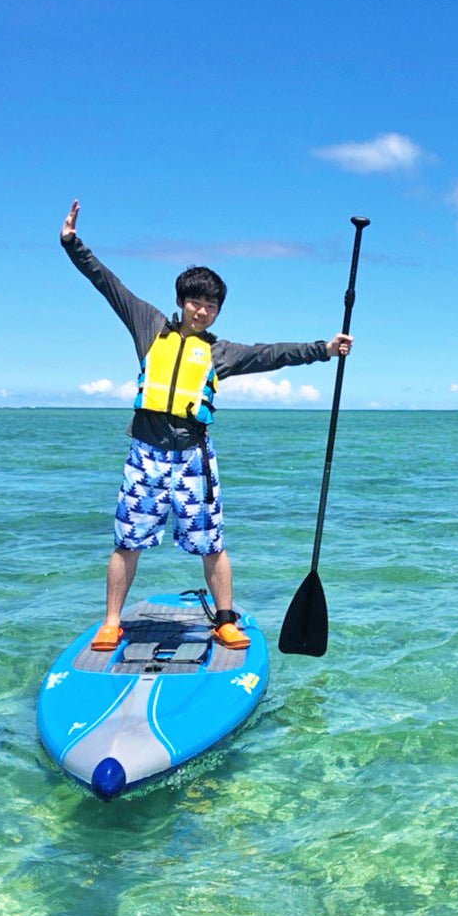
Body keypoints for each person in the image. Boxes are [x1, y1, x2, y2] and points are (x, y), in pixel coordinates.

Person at [61, 199, 353, 651]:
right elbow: (107, 284)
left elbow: (272, 353)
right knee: (127, 541)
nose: (202, 310)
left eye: (211, 304)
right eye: (195, 301)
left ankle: (224, 619)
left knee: (212, 542)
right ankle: (112, 621)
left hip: (193, 458)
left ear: (218, 311)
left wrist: (323, 348)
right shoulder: (149, 326)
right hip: (146, 455)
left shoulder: (221, 353)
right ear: (181, 302)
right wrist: (72, 244)